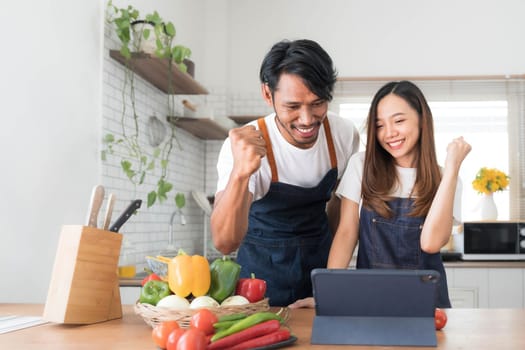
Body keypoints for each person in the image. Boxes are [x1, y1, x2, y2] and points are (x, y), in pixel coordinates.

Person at [289, 80, 471, 309]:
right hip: (370, 300)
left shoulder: (447, 179)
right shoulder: (362, 166)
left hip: (428, 305)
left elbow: (432, 243)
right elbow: (346, 234)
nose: (389, 133)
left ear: (422, 120)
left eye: (399, 121)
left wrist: (452, 167)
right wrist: (326, 292)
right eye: (380, 125)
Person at [210, 39, 360, 307]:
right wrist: (240, 174)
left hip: (319, 273)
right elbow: (224, 242)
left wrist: (334, 283)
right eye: (293, 106)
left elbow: (341, 215)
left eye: (318, 103)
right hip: (258, 282)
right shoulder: (245, 145)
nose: (306, 119)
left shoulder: (343, 135)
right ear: (268, 94)